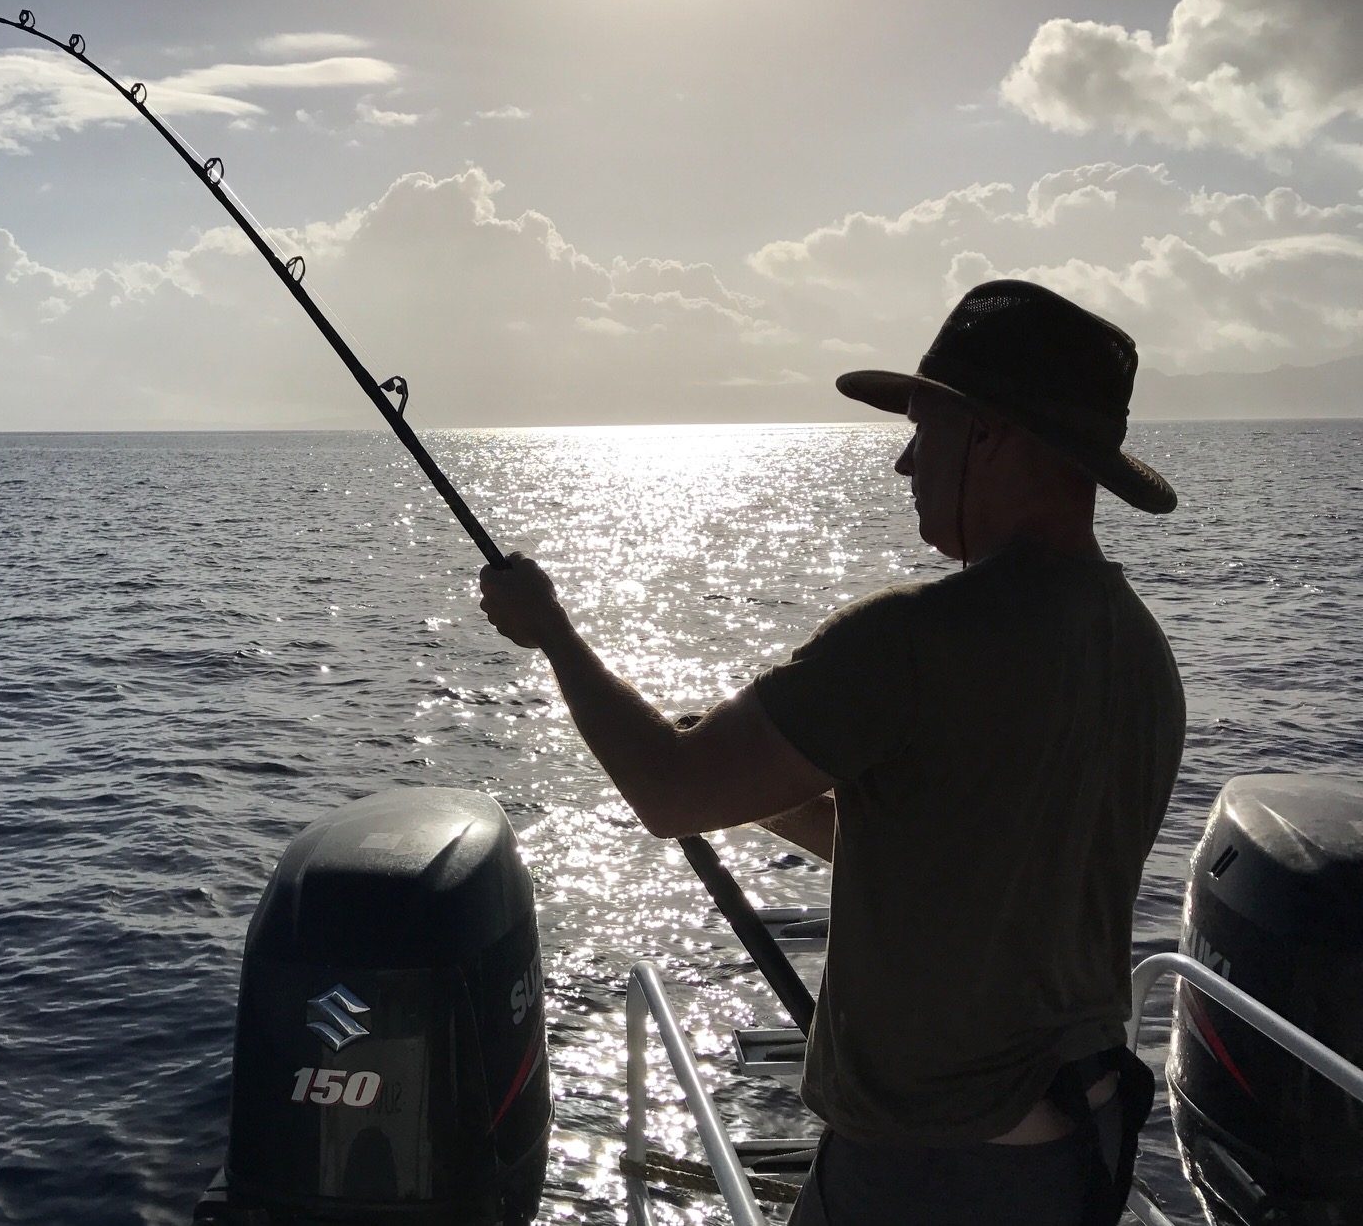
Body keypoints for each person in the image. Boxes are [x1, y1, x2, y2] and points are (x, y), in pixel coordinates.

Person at [478, 280, 1184, 1225]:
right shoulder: (1141, 652)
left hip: (925, 1175)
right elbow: (942, 854)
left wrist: (550, 629)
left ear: (990, 434)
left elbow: (666, 792)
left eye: (924, 427)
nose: (903, 462)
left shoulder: (911, 640)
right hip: (1076, 1159)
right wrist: (767, 786)